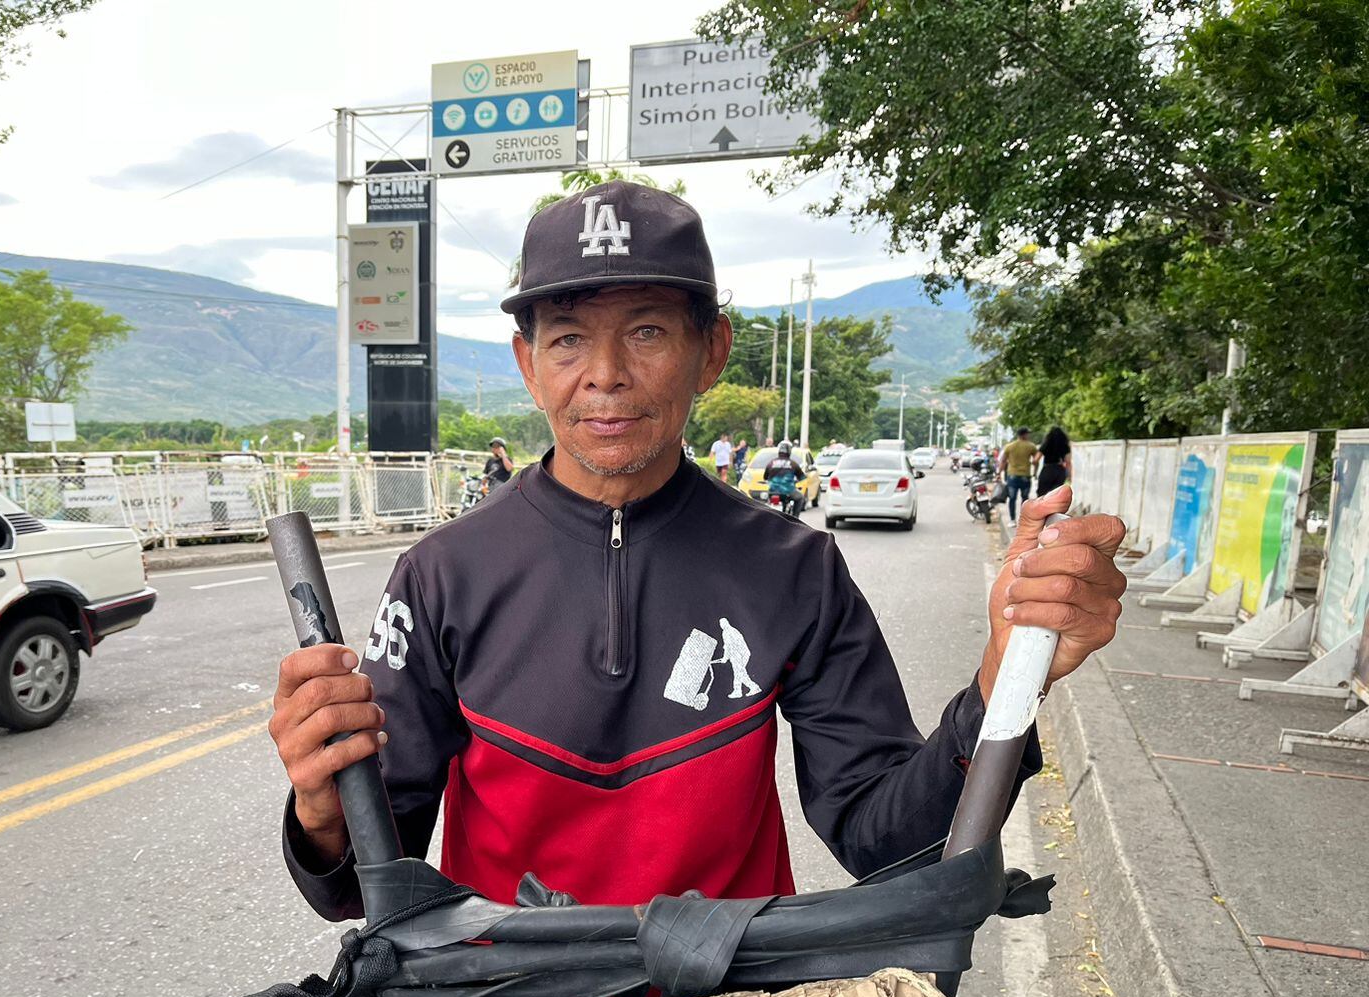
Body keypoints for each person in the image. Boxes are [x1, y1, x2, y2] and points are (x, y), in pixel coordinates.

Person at [270, 180, 1126, 941]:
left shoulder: (795, 568)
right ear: (528, 364)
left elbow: (887, 841)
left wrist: (1002, 683)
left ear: (710, 351)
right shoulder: (441, 574)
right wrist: (319, 807)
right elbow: (365, 884)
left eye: (646, 332)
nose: (605, 375)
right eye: (567, 340)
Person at [999, 428, 1039, 520]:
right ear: (1024, 434)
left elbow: (1003, 461)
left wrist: (999, 473)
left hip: (1012, 476)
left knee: (1012, 499)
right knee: (1025, 499)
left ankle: (1012, 519)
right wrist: (1035, 472)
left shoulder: (1009, 446)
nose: (1028, 436)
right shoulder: (1031, 446)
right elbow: (1036, 460)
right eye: (1027, 434)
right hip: (1025, 476)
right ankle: (1023, 519)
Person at [763, 439, 806, 519]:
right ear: (789, 452)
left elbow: (765, 477)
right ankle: (795, 518)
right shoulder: (793, 464)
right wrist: (796, 481)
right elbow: (802, 477)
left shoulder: (771, 463)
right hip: (788, 491)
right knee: (800, 497)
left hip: (772, 491)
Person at [1037, 427, 1071, 497]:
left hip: (1047, 470)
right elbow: (1068, 462)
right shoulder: (1065, 445)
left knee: (1042, 496)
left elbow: (1036, 459)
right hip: (1059, 471)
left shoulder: (1046, 444)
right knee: (1056, 497)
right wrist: (1069, 476)